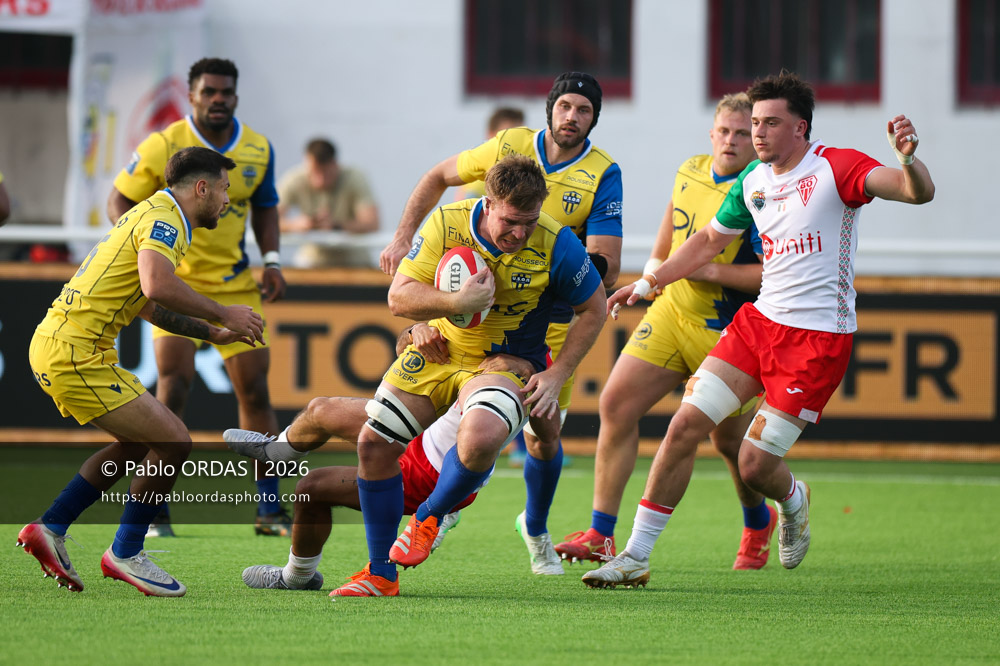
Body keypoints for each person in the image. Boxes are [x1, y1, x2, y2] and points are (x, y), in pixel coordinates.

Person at [586, 71, 934, 589]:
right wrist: (650, 280)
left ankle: (793, 500)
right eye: (754, 123)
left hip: (817, 340)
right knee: (683, 426)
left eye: (771, 123)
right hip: (758, 324)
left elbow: (914, 192)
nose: (758, 133)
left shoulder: (836, 166)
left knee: (752, 465)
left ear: (802, 128)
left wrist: (907, 159)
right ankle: (635, 557)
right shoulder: (752, 180)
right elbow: (707, 240)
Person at [236, 156, 605, 597]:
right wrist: (446, 308)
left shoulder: (555, 242)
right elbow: (400, 297)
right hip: (440, 356)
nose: (520, 233)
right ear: (486, 203)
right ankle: (375, 572)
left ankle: (431, 518)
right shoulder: (446, 224)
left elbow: (595, 307)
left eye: (529, 221)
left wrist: (557, 373)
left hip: (501, 365)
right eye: (511, 221)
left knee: (486, 433)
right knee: (366, 440)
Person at [379, 72, 622, 572]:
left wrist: (552, 267)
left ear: (595, 118)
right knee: (458, 425)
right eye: (566, 106)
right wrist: (405, 238)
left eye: (585, 110)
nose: (573, 117)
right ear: (551, 107)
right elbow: (436, 177)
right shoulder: (508, 146)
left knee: (544, 432)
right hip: (477, 311)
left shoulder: (603, 172)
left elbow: (606, 264)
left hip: (552, 318)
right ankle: (437, 512)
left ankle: (534, 526)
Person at [19, 147, 265, 597]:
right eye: (225, 189)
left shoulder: (152, 213)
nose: (228, 201)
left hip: (68, 348)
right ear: (202, 188)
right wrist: (225, 312)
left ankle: (50, 527)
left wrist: (212, 332)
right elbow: (157, 285)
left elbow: (147, 304)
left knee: (138, 444)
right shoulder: (166, 220)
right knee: (175, 441)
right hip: (75, 352)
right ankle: (127, 552)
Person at [556, 93, 776, 570]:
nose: (734, 140)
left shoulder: (761, 189)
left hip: (727, 329)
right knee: (615, 404)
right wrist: (654, 273)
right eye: (726, 131)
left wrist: (709, 272)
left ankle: (758, 519)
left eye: (744, 132)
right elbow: (672, 230)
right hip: (672, 314)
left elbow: (770, 272)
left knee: (728, 443)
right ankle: (601, 532)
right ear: (712, 133)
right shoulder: (691, 169)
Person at [106, 57, 288, 537]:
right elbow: (118, 200)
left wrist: (270, 259)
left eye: (226, 92)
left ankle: (269, 509)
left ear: (235, 95)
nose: (218, 99)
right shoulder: (163, 143)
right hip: (175, 283)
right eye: (208, 91)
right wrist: (143, 255)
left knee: (255, 391)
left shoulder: (257, 148)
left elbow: (266, 207)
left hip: (235, 283)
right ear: (191, 96)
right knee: (174, 387)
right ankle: (154, 509)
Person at [230, 327, 535, 593]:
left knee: (310, 488)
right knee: (321, 409)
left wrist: (538, 374)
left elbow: (538, 428)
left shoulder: (525, 354)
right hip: (424, 428)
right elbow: (405, 336)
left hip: (430, 469)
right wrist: (416, 330)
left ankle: (296, 576)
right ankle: (276, 454)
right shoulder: (476, 309)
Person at [277, 138, 380, 268]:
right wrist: (295, 225)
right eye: (315, 172)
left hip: (353, 260)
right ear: (306, 163)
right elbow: (268, 220)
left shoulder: (355, 178)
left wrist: (336, 226)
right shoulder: (294, 179)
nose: (320, 180)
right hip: (312, 259)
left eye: (326, 173)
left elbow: (372, 223)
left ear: (335, 164)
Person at [453, 107, 525, 202]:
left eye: (520, 136)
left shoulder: (525, 178)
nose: (515, 143)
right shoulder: (477, 182)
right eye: (507, 137)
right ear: (490, 135)